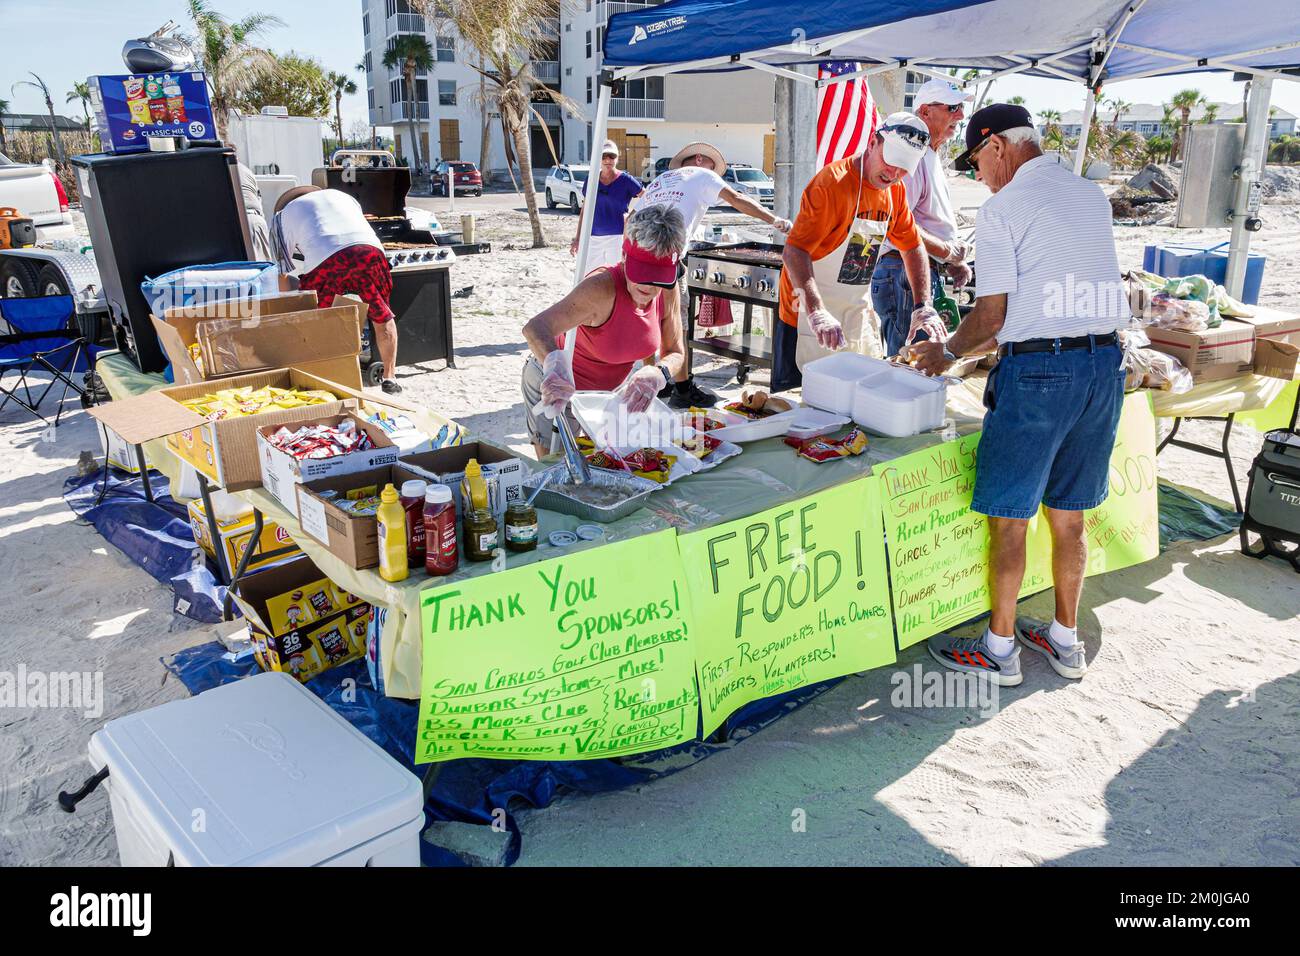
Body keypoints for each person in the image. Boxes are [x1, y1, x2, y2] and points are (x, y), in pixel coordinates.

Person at [907, 104, 1128, 686]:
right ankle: (1064, 639)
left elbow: (991, 316)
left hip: (1041, 374)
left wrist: (947, 352)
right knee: (1070, 517)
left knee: (1009, 518)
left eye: (977, 159)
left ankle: (1000, 649)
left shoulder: (1005, 207)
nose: (979, 174)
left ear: (999, 146)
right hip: (1105, 364)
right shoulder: (1089, 194)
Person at [779, 113, 940, 380]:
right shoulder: (832, 185)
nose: (893, 173)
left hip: (856, 313)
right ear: (872, 142)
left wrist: (922, 304)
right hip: (807, 316)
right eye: (890, 162)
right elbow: (794, 251)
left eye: (903, 169)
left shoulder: (894, 192)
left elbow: (912, 246)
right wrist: (817, 311)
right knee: (804, 406)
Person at [522, 204, 689, 458]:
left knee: (605, 463)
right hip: (555, 384)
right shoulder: (600, 289)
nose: (649, 286)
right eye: (642, 273)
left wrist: (658, 372)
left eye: (658, 277)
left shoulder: (667, 289)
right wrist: (555, 366)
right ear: (624, 255)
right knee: (556, 466)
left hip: (602, 396)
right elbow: (535, 328)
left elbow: (676, 351)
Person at [635, 142, 792, 408]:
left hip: (637, 255)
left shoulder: (662, 179)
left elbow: (633, 215)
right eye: (714, 168)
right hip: (666, 255)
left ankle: (656, 385)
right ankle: (682, 390)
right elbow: (737, 199)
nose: (717, 175)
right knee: (676, 324)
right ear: (700, 159)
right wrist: (773, 220)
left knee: (647, 319)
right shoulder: (702, 174)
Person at [870, 80, 974, 357]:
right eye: (953, 108)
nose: (961, 115)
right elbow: (896, 224)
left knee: (915, 363)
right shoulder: (913, 157)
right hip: (903, 274)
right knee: (911, 366)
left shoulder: (929, 157)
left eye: (961, 108)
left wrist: (948, 258)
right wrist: (947, 252)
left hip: (911, 273)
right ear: (925, 112)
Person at [271, 184, 403, 395]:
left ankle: (326, 375)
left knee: (318, 319)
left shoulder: (281, 217)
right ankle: (390, 377)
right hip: (369, 251)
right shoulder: (342, 197)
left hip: (327, 258)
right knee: (382, 314)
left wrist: (291, 307)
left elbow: (282, 272)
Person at [570, 140, 643, 271]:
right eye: (604, 156)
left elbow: (647, 197)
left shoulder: (626, 180)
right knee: (590, 276)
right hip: (592, 238)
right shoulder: (591, 179)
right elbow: (584, 211)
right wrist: (578, 238)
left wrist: (633, 216)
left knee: (618, 275)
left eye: (612, 156)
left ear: (617, 158)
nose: (608, 160)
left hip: (617, 238)